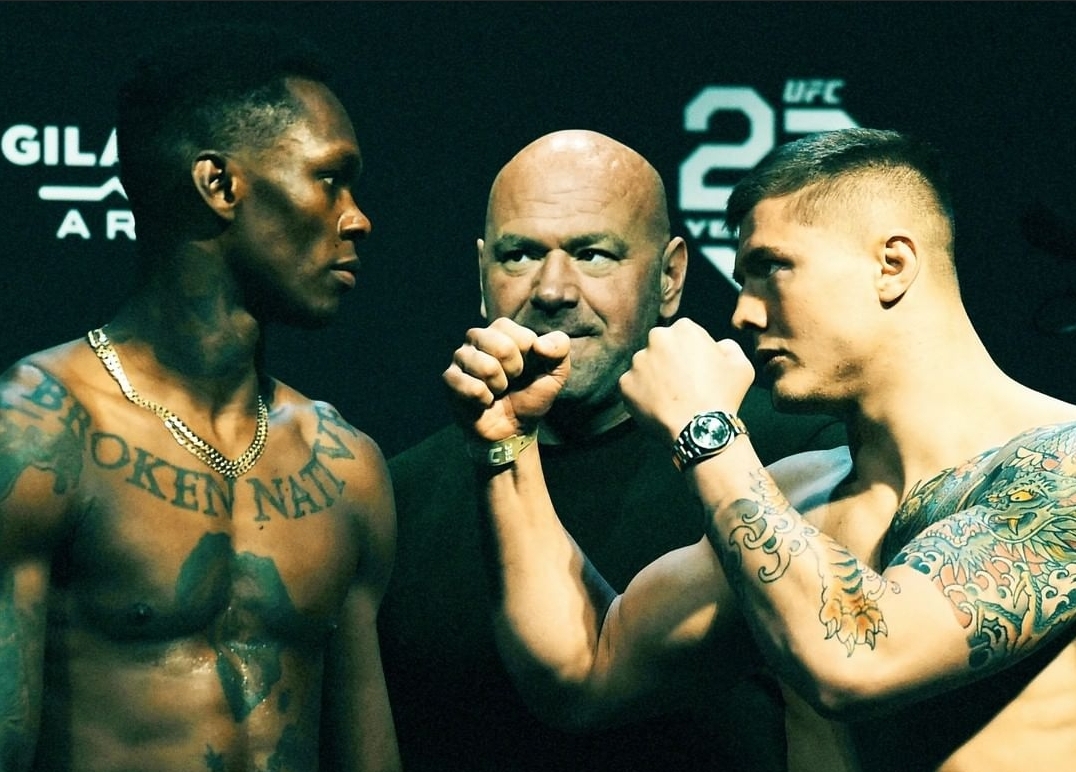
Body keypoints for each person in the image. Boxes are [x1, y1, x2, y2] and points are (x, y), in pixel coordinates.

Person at [443, 127, 1076, 772]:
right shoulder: (798, 495)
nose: (743, 313)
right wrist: (506, 444)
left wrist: (705, 429)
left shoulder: (1065, 468)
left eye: (772, 268)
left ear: (892, 266)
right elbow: (585, 672)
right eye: (742, 280)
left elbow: (857, 660)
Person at [378, 129, 846, 771]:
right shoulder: (397, 498)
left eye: (593, 254)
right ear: (482, 275)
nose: (553, 290)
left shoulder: (794, 461)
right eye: (520, 255)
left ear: (669, 276)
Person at [0, 23, 400, 772]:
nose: (357, 217)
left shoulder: (347, 468)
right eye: (329, 179)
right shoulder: (39, 431)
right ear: (219, 185)